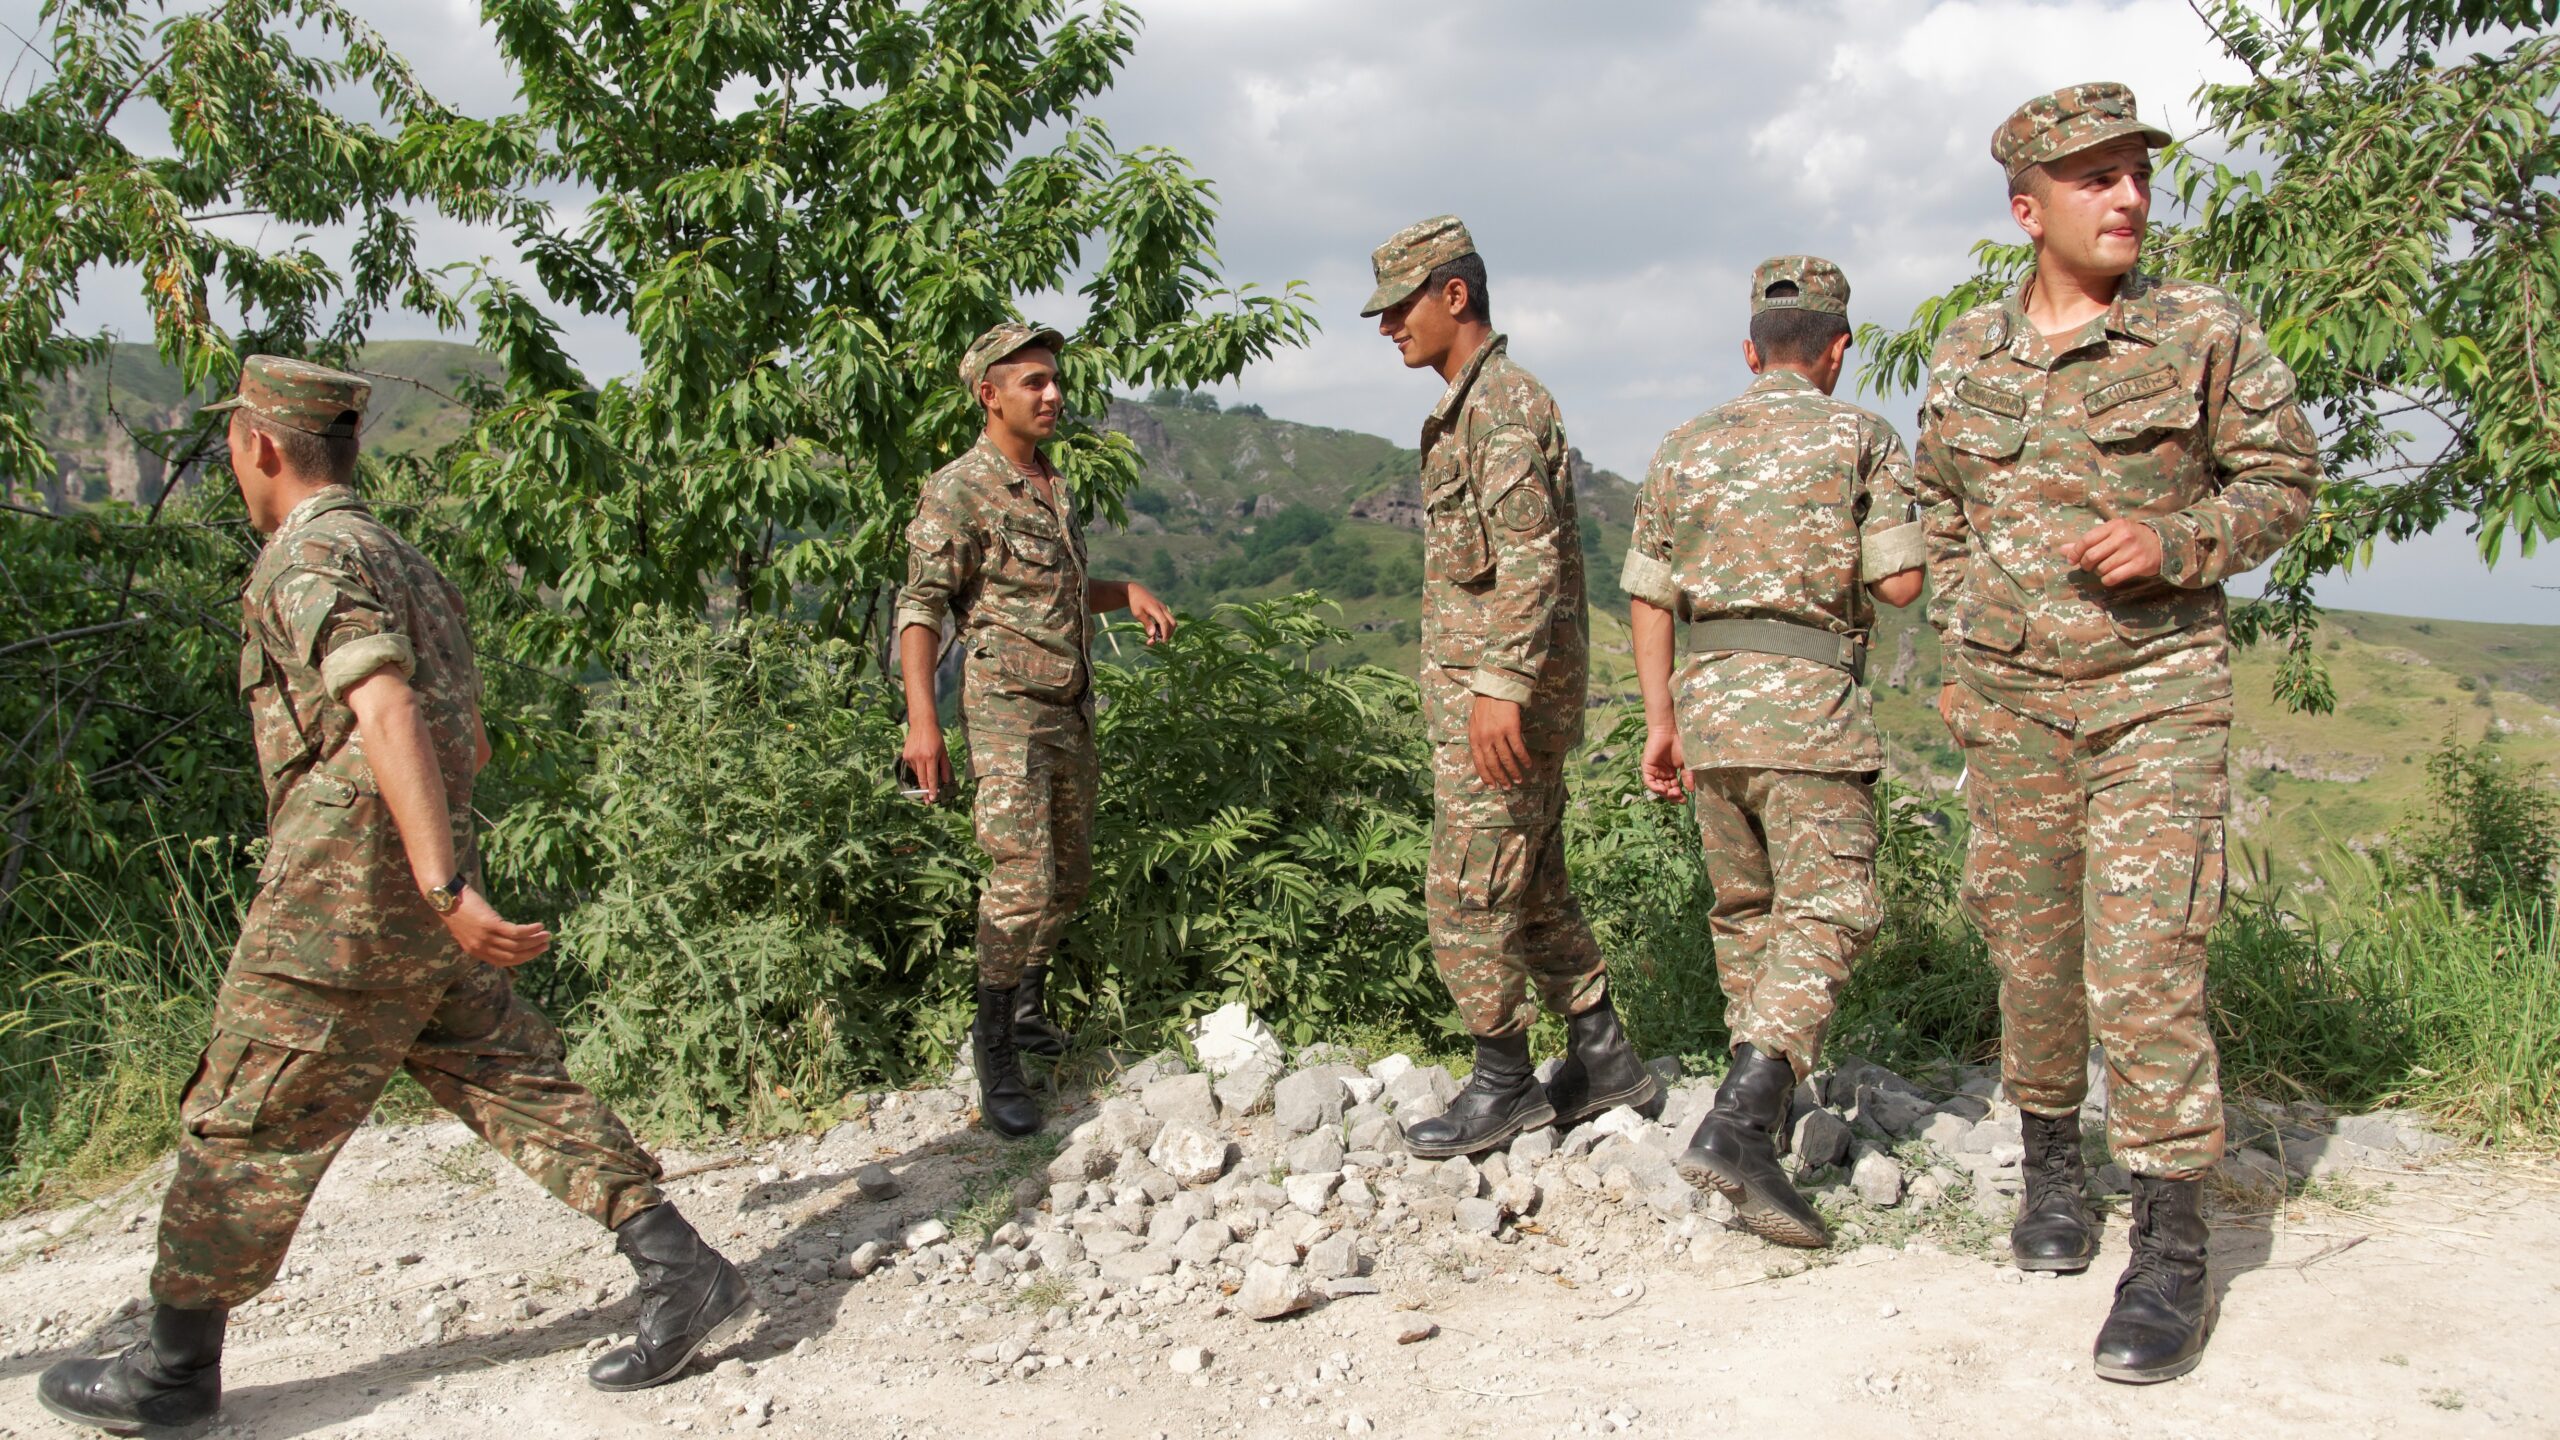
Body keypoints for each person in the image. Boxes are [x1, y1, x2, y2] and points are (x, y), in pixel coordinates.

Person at [40, 357, 749, 1434]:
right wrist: (443, 880)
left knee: (244, 1111)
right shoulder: (394, 551)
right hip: (410, 885)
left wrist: (441, 882)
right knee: (502, 1070)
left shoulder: (308, 558)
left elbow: (386, 707)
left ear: (259, 447)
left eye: (237, 441)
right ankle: (677, 1263)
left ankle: (172, 1369)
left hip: (347, 897)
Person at [1914, 83, 2319, 1382]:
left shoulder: (2201, 331)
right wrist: (1961, 653)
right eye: (2097, 178)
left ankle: (2172, 1249)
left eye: (2138, 171)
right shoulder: (1966, 354)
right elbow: (1938, 506)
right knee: (2034, 951)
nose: (2132, 196)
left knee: (2144, 960)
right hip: (2014, 699)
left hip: (2156, 688)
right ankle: (2051, 1175)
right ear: (2029, 208)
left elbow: (2283, 482)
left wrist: (2180, 541)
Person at [1624, 256, 1925, 1249]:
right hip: (1807, 713)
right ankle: (1745, 1122)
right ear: (1837, 351)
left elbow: (1648, 593)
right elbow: (1898, 589)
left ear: (1751, 351)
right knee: (1833, 905)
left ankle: (1755, 1102)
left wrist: (1658, 719)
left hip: (1707, 710)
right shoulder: (1861, 437)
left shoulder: (1682, 446)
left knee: (1748, 910)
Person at [1363, 215, 1660, 1160]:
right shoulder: (1470, 405)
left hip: (1503, 708)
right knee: (1531, 887)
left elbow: (1530, 563)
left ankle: (1503, 1084)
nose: (1385, 328)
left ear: (1455, 296)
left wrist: (1498, 687)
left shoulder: (1500, 407)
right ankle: (1604, 1055)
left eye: (1398, 307)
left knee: (1466, 892)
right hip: (1494, 702)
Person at [895, 322, 1176, 1139]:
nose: (1053, 394)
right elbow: (920, 606)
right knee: (1020, 885)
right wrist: (924, 723)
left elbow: (1053, 589)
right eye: (1033, 383)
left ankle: (1024, 1009)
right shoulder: (960, 489)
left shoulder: (1051, 482)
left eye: (1054, 380)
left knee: (1069, 878)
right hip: (1006, 716)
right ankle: (995, 1060)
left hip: (1071, 711)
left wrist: (1122, 590)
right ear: (989, 395)